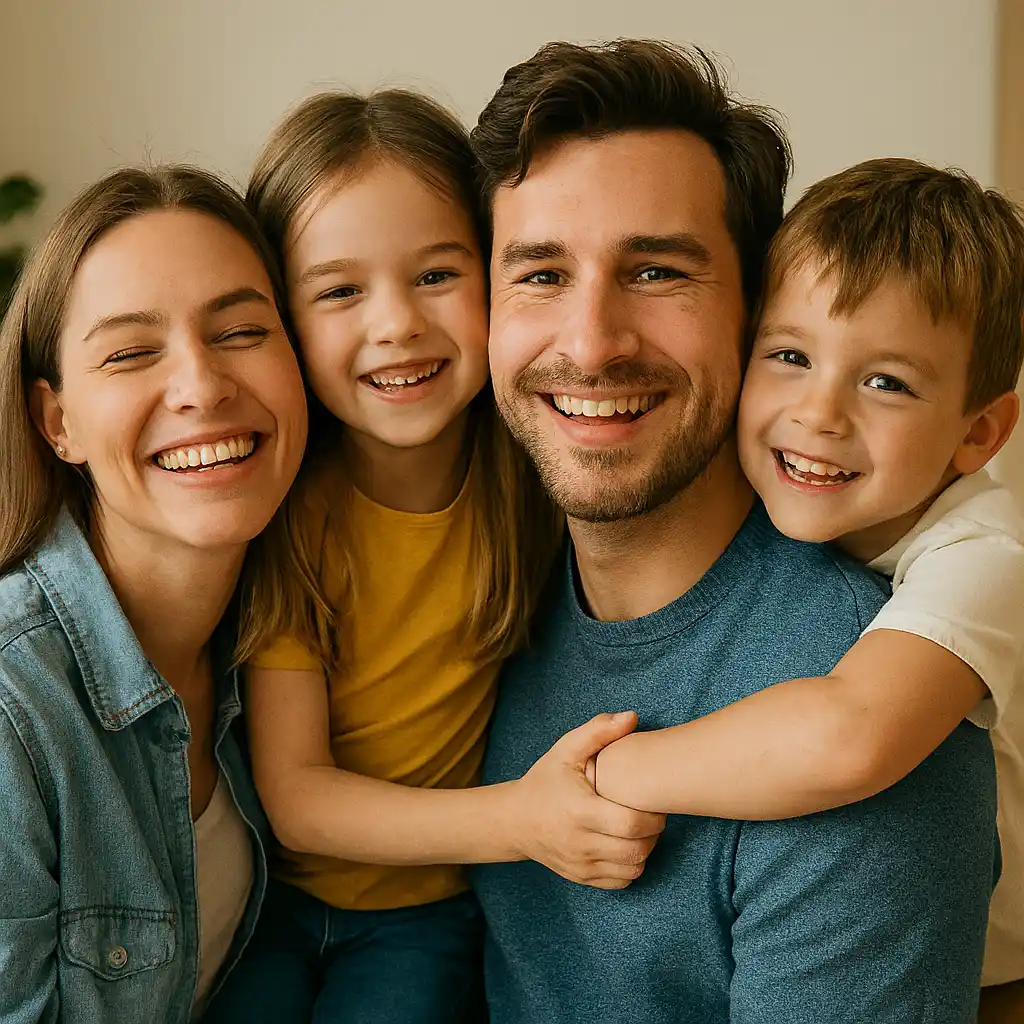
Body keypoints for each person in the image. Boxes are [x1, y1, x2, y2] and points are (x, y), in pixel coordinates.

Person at [470, 39, 998, 1023]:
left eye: (657, 270)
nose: (589, 342)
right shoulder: (480, 588)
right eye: (539, 274)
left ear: (756, 309)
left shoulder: (873, 717)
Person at [205, 89, 664, 1024]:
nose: (398, 325)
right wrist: (524, 822)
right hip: (275, 905)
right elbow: (297, 798)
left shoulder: (540, 475)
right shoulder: (291, 515)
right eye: (339, 290)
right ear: (284, 320)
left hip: (428, 916)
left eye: (436, 274)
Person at [585, 158, 1024, 1013]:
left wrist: (615, 771)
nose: (819, 412)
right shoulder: (808, 494)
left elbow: (847, 735)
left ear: (977, 433)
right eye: (789, 355)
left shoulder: (990, 558)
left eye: (885, 382)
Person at [0, 166, 308, 1022]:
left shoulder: (290, 646)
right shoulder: (10, 707)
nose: (202, 387)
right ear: (56, 422)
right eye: (132, 352)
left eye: (242, 330)